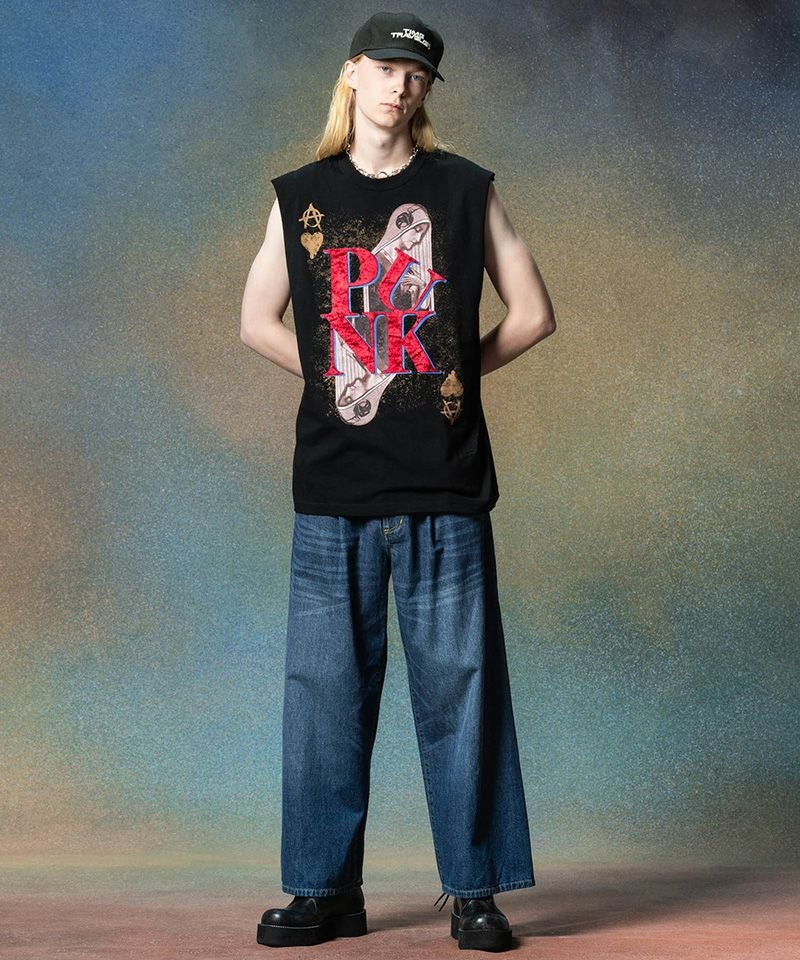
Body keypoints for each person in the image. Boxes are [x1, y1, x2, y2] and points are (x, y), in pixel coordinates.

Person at [240, 10, 555, 952]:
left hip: (445, 488)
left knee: (462, 694)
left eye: (417, 74)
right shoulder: (301, 195)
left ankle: (475, 893)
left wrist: (445, 376)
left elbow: (533, 313)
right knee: (324, 699)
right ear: (352, 74)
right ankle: (323, 891)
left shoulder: (464, 190)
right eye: (385, 68)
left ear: (426, 90)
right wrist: (343, 373)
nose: (400, 85)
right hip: (334, 490)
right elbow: (255, 320)